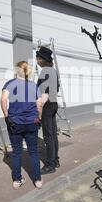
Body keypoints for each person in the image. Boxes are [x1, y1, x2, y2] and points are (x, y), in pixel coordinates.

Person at [1, 61, 43, 189]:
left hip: (15, 123)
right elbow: (40, 103)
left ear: (17, 70)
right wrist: (39, 117)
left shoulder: (10, 84)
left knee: (17, 152)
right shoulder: (33, 86)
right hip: (32, 122)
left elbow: (3, 100)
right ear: (28, 72)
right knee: (34, 152)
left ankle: (17, 180)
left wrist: (6, 116)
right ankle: (37, 180)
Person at [36, 46, 60, 174]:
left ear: (41, 59)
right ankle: (56, 159)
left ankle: (50, 164)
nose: (37, 61)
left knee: (48, 136)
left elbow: (42, 91)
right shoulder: (54, 71)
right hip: (54, 103)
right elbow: (57, 87)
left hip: (46, 105)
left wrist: (39, 109)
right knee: (53, 134)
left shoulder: (44, 71)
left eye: (38, 58)